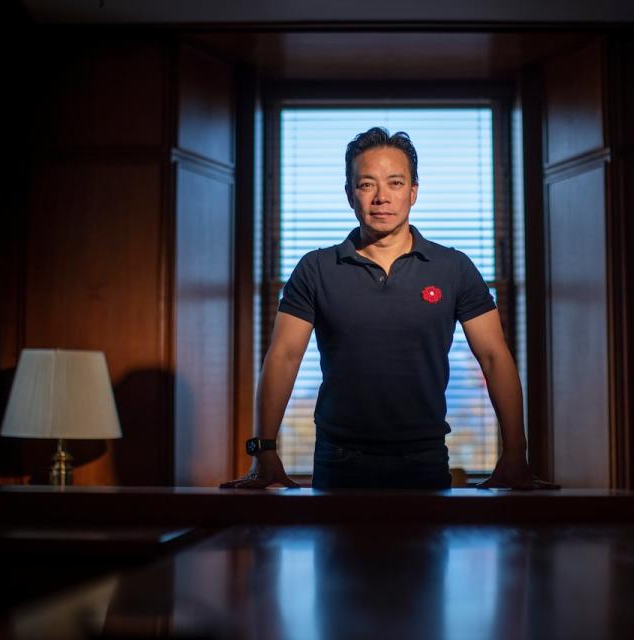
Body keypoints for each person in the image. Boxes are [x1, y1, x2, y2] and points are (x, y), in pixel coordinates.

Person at [220, 127, 553, 490]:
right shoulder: (315, 268)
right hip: (338, 458)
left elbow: (493, 357)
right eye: (366, 184)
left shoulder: (453, 267)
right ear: (350, 195)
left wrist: (515, 452)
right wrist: (263, 451)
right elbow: (283, 356)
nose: (381, 197)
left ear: (413, 192)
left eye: (395, 183)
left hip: (425, 457)